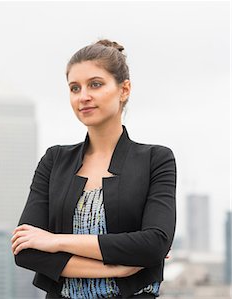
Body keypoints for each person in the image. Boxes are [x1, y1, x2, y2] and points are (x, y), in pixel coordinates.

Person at [11, 39, 177, 299]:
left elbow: (154, 244)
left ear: (124, 90)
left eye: (95, 84)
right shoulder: (54, 160)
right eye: (74, 88)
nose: (83, 96)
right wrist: (119, 269)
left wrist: (56, 241)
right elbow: (26, 250)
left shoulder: (156, 160)